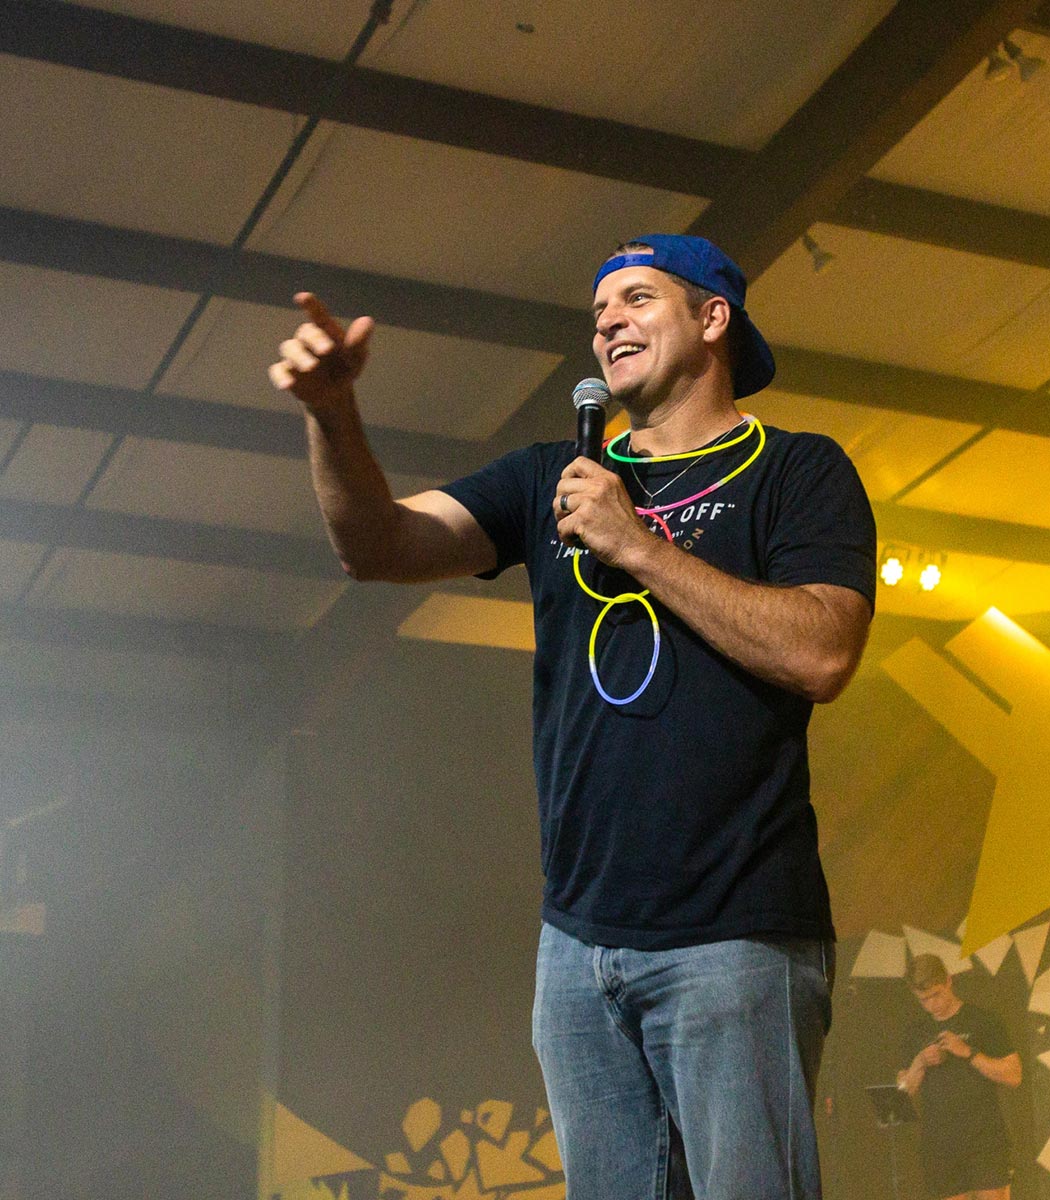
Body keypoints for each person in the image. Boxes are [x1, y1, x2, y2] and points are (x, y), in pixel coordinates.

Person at [269, 233, 876, 1199]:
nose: (607, 324)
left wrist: (635, 546)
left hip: (735, 938)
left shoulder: (796, 471)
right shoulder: (549, 475)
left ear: (714, 319)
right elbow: (377, 545)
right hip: (580, 948)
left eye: (636, 299)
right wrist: (334, 414)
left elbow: (822, 651)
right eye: (598, 312)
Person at [896, 954, 1023, 1200]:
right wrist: (920, 1061)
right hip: (940, 1143)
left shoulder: (982, 1020)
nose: (933, 1005)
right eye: (924, 1000)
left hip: (985, 1138)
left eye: (936, 994)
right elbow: (903, 1090)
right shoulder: (916, 1033)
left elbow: (1014, 1075)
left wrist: (968, 1052)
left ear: (949, 981)